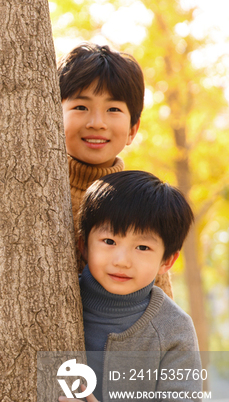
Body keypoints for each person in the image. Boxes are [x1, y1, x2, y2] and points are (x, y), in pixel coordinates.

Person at [52, 170, 201, 402]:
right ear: (83, 244)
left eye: (143, 247)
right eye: (108, 241)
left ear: (167, 261)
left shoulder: (173, 327)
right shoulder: (52, 301)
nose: (122, 260)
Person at [57, 42, 174, 298]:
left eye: (113, 109)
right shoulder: (29, 187)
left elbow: (160, 301)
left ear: (133, 129)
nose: (97, 123)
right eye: (80, 107)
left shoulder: (140, 203)